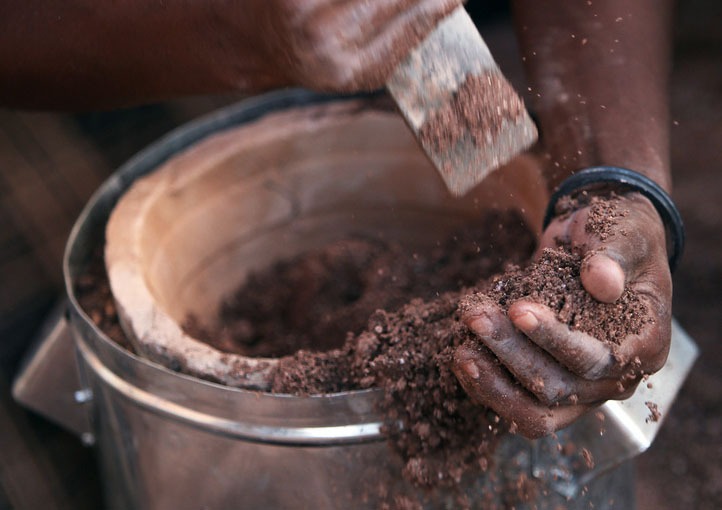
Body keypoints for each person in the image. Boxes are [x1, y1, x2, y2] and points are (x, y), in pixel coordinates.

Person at [0, 0, 676, 438]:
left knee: (485, 143)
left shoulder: (446, 73)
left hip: (437, 34)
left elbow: (457, 80)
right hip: (106, 54)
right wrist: (228, 28)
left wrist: (612, 180)